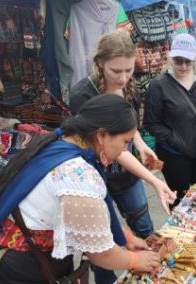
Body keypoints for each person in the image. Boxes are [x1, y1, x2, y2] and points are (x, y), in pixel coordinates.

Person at [0, 95, 160, 283]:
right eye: (125, 141)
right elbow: (102, 255)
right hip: (23, 267)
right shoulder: (78, 176)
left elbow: (88, 220)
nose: (124, 150)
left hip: (21, 255)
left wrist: (126, 237)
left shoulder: (61, 144)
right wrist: (135, 260)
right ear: (102, 135)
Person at [70, 31, 176, 240]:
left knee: (145, 228)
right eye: (116, 71)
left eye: (128, 70)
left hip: (126, 175)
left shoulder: (129, 86)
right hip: (96, 175)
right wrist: (154, 181)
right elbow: (114, 150)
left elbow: (127, 124)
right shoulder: (83, 95)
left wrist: (138, 143)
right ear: (100, 62)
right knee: (104, 236)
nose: (123, 78)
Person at [143, 33, 196, 207]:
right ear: (171, 57)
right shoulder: (159, 85)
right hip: (174, 154)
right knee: (178, 201)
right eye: (178, 61)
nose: (183, 66)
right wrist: (174, 139)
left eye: (188, 61)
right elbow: (150, 123)